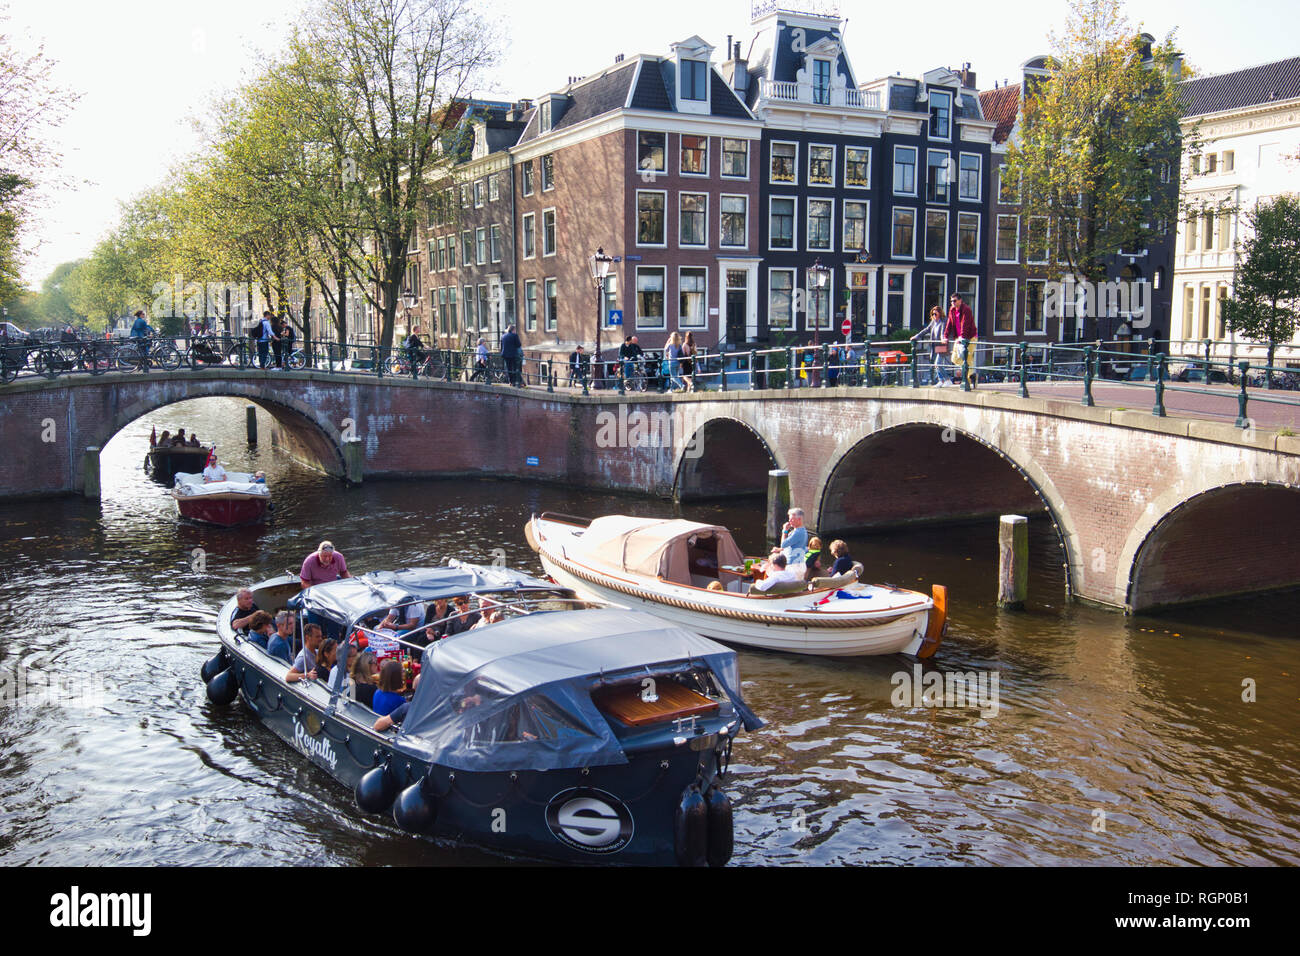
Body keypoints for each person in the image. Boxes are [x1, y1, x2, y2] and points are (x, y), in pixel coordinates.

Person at [944, 292, 977, 388]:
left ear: (960, 300)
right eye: (951, 301)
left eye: (954, 301)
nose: (952, 303)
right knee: (954, 358)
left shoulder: (966, 309)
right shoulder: (952, 310)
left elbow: (965, 324)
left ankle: (967, 380)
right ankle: (972, 376)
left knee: (967, 357)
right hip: (959, 338)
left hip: (970, 337)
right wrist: (945, 336)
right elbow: (949, 323)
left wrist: (962, 337)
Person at [913, 306, 948, 386]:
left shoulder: (943, 321)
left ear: (940, 313)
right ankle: (941, 380)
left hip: (941, 345)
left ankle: (947, 379)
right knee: (935, 364)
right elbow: (926, 330)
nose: (934, 315)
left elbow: (943, 331)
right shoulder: (933, 322)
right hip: (934, 345)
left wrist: (943, 339)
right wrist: (917, 336)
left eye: (936, 313)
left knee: (938, 363)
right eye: (933, 313)